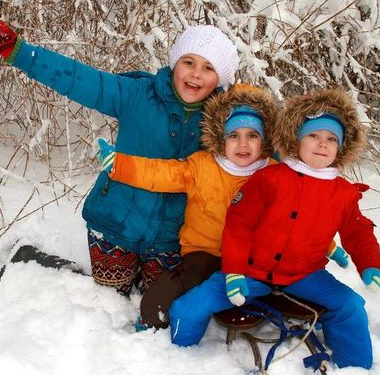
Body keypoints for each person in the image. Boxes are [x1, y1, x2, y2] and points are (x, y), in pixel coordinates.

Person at [0, 9, 239, 295]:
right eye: (189, 62)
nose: (196, 74)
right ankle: (34, 260)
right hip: (116, 224)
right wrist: (20, 52)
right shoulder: (137, 95)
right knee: (110, 295)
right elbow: (79, 79)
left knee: (160, 301)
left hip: (171, 236)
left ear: (220, 79)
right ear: (175, 64)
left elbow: (260, 149)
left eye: (208, 68)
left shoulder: (226, 121)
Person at [98, 84, 349, 330]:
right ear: (221, 138)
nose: (243, 144)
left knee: (278, 282)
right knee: (184, 281)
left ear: (264, 140)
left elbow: (299, 221)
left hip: (254, 257)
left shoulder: (276, 173)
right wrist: (120, 165)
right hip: (206, 252)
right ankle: (153, 319)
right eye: (234, 135)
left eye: (252, 136)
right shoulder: (201, 166)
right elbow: (159, 174)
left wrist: (329, 247)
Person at [168, 89, 380, 369]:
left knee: (351, 305)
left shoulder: (343, 193)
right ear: (297, 139)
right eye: (314, 136)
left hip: (305, 275)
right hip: (251, 272)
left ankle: (355, 369)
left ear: (341, 147)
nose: (322, 144)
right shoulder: (270, 178)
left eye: (331, 139)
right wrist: (234, 271)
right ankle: (178, 360)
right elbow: (239, 223)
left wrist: (372, 265)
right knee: (188, 308)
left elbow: (358, 232)